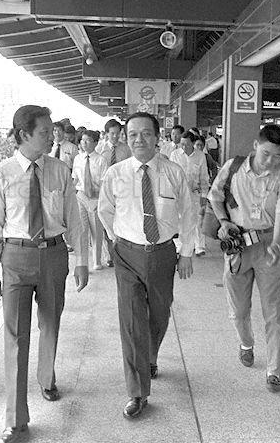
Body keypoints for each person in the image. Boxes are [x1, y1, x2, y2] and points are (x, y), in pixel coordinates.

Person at [0, 106, 89, 443]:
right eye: (45, 131)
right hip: (14, 257)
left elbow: (74, 217)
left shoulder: (59, 170)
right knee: (15, 335)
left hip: (54, 255)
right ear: (24, 134)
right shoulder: (2, 173)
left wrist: (83, 259)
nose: (52, 136)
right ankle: (15, 419)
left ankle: (46, 378)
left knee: (50, 323)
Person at [97, 112, 196, 419]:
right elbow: (104, 211)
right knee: (131, 321)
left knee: (159, 313)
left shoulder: (173, 172)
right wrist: (118, 241)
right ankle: (137, 391)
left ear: (158, 137)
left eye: (146, 134)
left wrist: (188, 252)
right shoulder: (115, 173)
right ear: (126, 138)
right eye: (132, 135)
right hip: (127, 254)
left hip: (163, 252)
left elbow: (188, 214)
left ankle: (150, 355)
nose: (139, 140)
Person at [207, 124, 280, 393]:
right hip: (237, 246)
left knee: (274, 311)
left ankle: (274, 370)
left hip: (268, 245)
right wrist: (223, 222)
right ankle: (246, 343)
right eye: (267, 154)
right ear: (256, 146)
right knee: (238, 310)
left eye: (278, 156)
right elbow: (215, 196)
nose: (272, 161)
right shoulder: (233, 168)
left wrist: (279, 241)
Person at [73, 130, 108, 270]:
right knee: (82, 231)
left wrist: (100, 199)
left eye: (87, 140)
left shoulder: (101, 160)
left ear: (95, 142)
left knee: (96, 231)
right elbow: (75, 178)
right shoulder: (78, 159)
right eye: (82, 140)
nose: (84, 143)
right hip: (81, 196)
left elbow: (105, 183)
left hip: (96, 197)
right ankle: (83, 262)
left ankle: (97, 260)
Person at [170, 131, 210, 256]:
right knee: (181, 220)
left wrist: (204, 195)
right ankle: (181, 245)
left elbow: (204, 176)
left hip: (195, 193)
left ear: (193, 143)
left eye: (187, 144)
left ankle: (199, 246)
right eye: (182, 144)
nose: (184, 147)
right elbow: (170, 175)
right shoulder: (175, 155)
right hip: (179, 194)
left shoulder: (200, 156)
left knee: (198, 219)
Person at [99, 119, 132, 267]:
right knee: (105, 221)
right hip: (104, 190)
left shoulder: (126, 149)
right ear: (106, 134)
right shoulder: (100, 149)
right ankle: (109, 256)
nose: (115, 136)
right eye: (112, 133)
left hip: (122, 191)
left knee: (120, 220)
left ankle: (120, 253)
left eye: (118, 134)